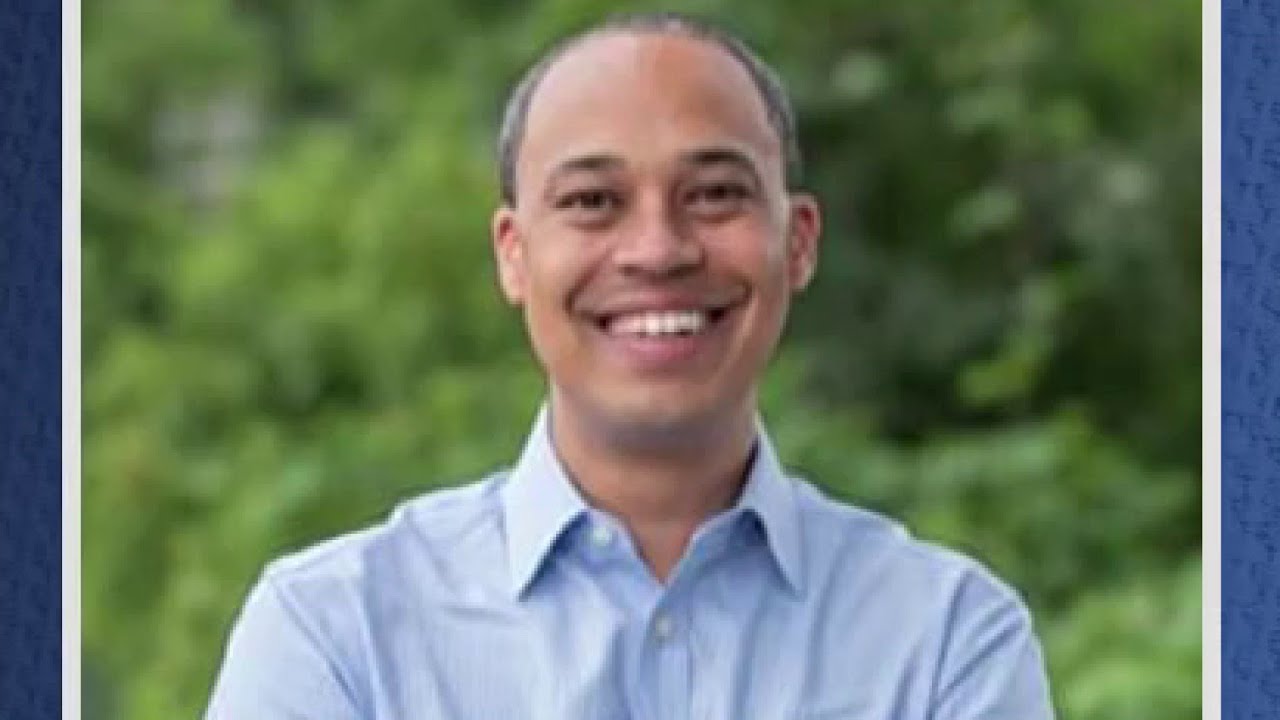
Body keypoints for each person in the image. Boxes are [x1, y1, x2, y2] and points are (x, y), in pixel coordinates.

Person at [205, 12, 1055, 719]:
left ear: (797, 243)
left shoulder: (945, 642)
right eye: (592, 202)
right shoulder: (337, 634)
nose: (657, 249)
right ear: (513, 254)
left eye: (713, 194)